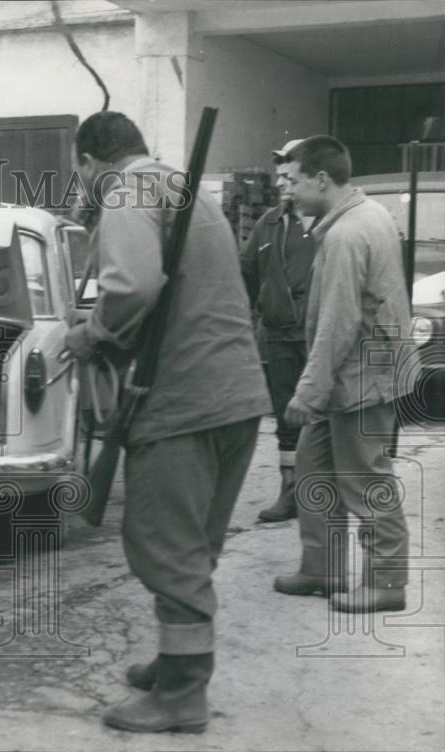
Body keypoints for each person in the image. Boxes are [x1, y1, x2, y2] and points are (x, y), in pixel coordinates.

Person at [65, 111, 271, 734]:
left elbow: (128, 287)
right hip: (235, 394)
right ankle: (176, 658)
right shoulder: (180, 189)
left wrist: (92, 333)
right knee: (195, 542)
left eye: (77, 173)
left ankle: (183, 693)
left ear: (90, 162)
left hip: (182, 398)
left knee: (164, 545)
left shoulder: (126, 190)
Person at [275, 136, 410, 613]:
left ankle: (387, 583)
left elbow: (337, 322)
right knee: (314, 468)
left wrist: (308, 391)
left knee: (363, 478)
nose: (286, 189)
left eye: (292, 180)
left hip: (357, 381)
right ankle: (322, 568)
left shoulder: (346, 234)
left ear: (321, 180)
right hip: (357, 375)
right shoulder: (365, 216)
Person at [240, 139, 317, 522]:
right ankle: (290, 492)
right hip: (279, 339)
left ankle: (321, 491)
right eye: (279, 178)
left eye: (289, 177)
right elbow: (245, 278)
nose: (283, 184)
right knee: (288, 422)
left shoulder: (331, 221)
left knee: (324, 418)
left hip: (320, 338)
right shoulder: (267, 223)